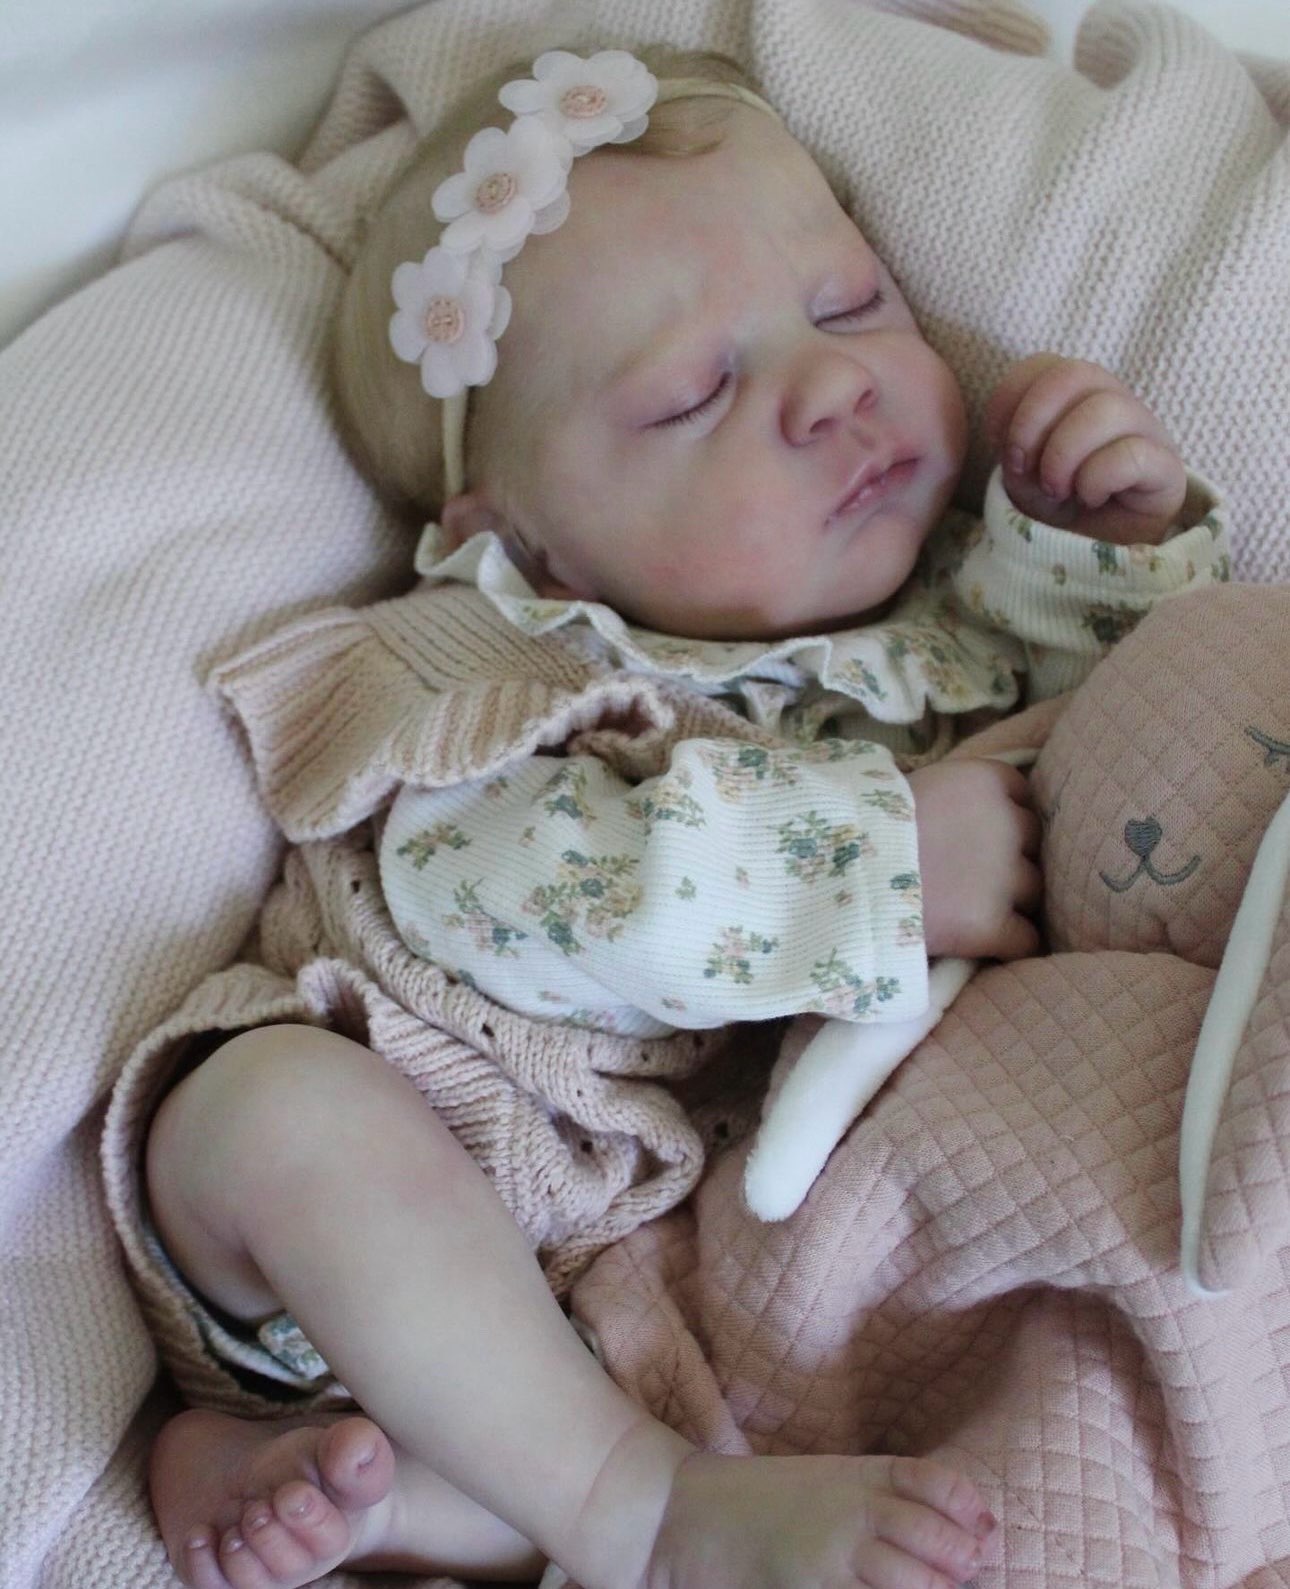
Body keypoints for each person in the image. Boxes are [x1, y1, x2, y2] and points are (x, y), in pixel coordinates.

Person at [133, 42, 1229, 1589]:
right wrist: (866, 869)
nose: (832, 382)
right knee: (266, 1114)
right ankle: (637, 1513)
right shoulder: (508, 662)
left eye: (848, 304)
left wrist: (1092, 544)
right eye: (693, 393)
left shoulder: (937, 631)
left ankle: (387, 1503)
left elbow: (1108, 766)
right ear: (531, 544)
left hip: (656, 1308)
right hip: (402, 1196)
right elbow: (496, 881)